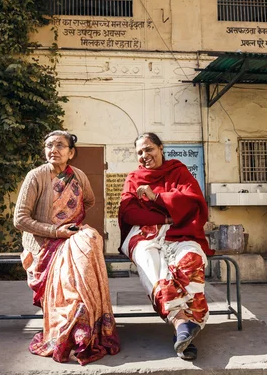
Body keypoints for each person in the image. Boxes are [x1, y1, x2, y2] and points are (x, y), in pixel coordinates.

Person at [14, 130, 120, 365]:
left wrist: (72, 221)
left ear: (71, 153)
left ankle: (86, 330)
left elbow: (89, 200)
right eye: (49, 145)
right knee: (67, 281)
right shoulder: (36, 176)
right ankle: (68, 331)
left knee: (90, 243)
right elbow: (20, 219)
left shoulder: (79, 176)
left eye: (60, 145)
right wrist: (55, 231)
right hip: (43, 243)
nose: (53, 150)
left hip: (70, 237)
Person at [118, 132, 214, 361]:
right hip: (144, 235)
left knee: (191, 260)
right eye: (139, 152)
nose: (144, 155)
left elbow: (192, 201)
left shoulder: (178, 171)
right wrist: (166, 216)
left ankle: (183, 328)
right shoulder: (134, 177)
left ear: (161, 148)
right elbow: (128, 212)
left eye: (149, 149)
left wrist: (155, 198)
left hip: (181, 232)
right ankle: (181, 323)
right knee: (152, 265)